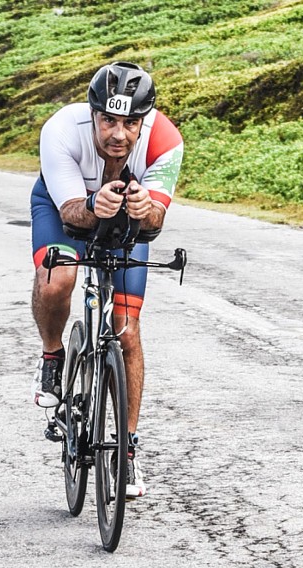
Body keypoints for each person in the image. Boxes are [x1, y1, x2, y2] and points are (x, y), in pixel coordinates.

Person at [31, 61, 184, 498]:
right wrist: (96, 203)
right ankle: (52, 357)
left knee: (127, 332)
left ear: (145, 120)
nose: (119, 134)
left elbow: (156, 218)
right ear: (93, 113)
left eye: (130, 122)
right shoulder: (61, 130)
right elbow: (70, 214)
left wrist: (144, 208)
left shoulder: (165, 141)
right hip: (67, 206)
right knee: (57, 279)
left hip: (124, 220)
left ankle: (127, 452)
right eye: (108, 121)